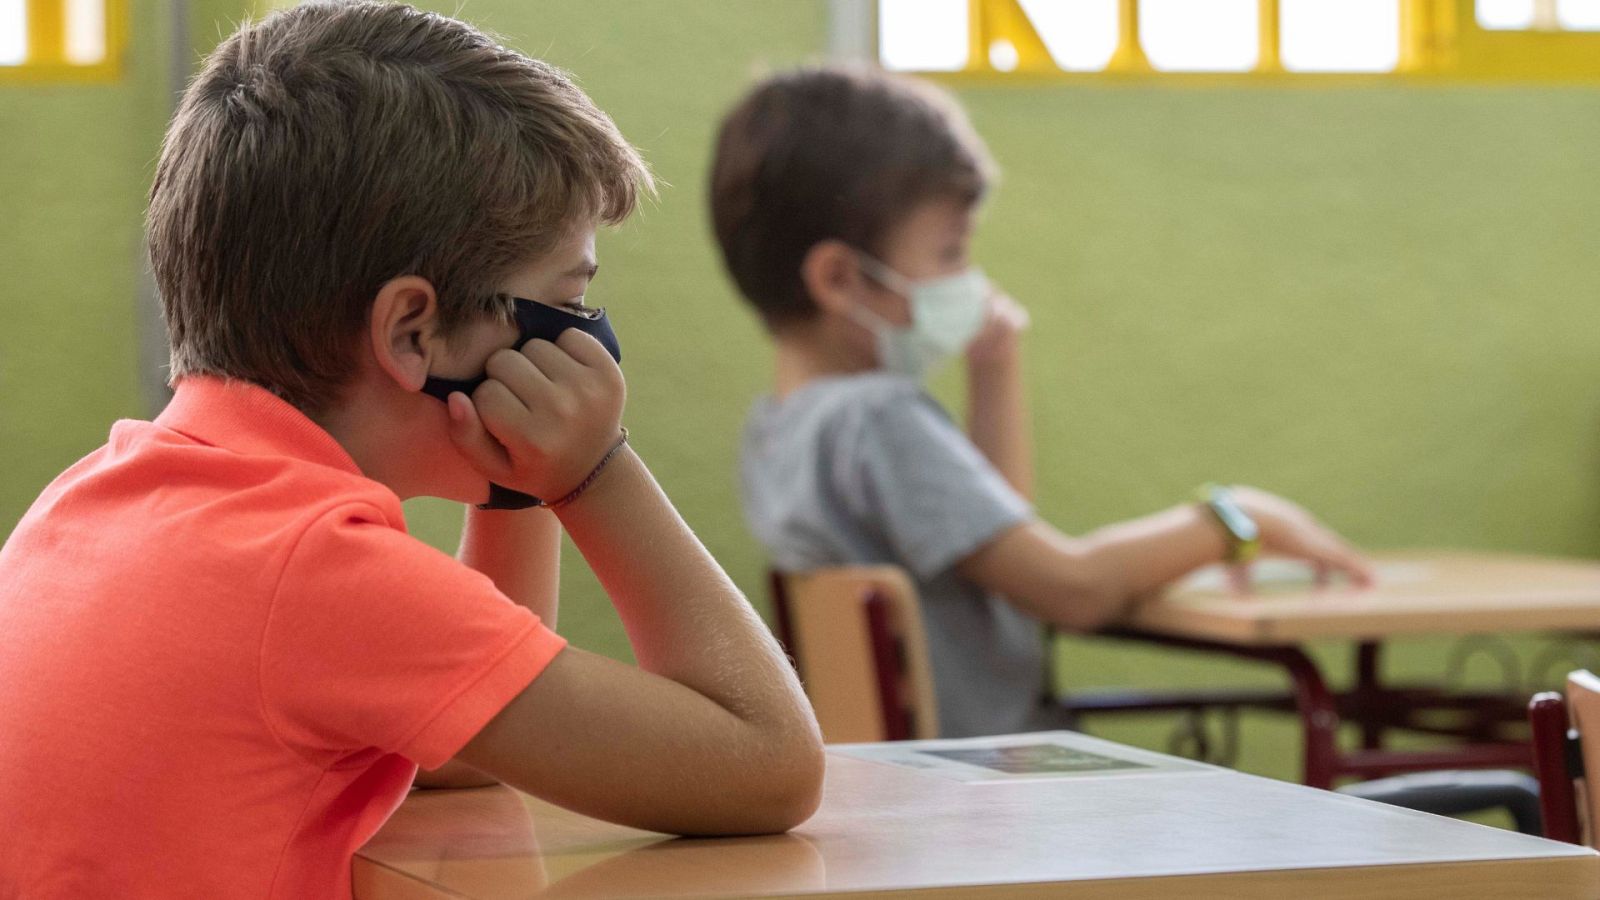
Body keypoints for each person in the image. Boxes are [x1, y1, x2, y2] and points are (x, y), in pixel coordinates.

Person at [0, 4, 822, 897]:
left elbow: (459, 745)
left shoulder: (98, 500)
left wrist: (517, 490)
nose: (585, 343)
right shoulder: (311, 571)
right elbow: (767, 762)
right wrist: (594, 473)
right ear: (411, 332)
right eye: (565, 303)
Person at [708, 66, 1373, 739]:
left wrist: (994, 370)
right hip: (990, 790)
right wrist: (1235, 518)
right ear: (840, 278)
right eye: (950, 253)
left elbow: (999, 548)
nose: (967, 280)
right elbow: (1069, 589)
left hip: (922, 790)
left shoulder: (781, 429)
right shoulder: (877, 418)